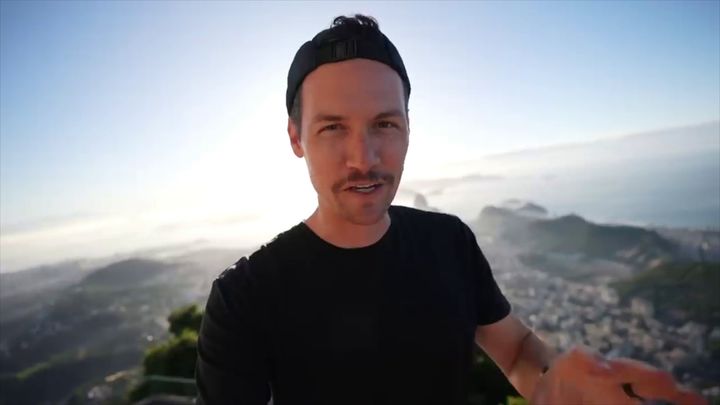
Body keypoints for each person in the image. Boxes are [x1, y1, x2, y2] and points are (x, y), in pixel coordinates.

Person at [195, 14, 706, 405]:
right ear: (296, 138)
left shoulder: (449, 240)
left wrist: (556, 385)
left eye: (385, 124)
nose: (364, 158)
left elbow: (516, 350)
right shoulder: (244, 300)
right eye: (332, 128)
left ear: (408, 127)